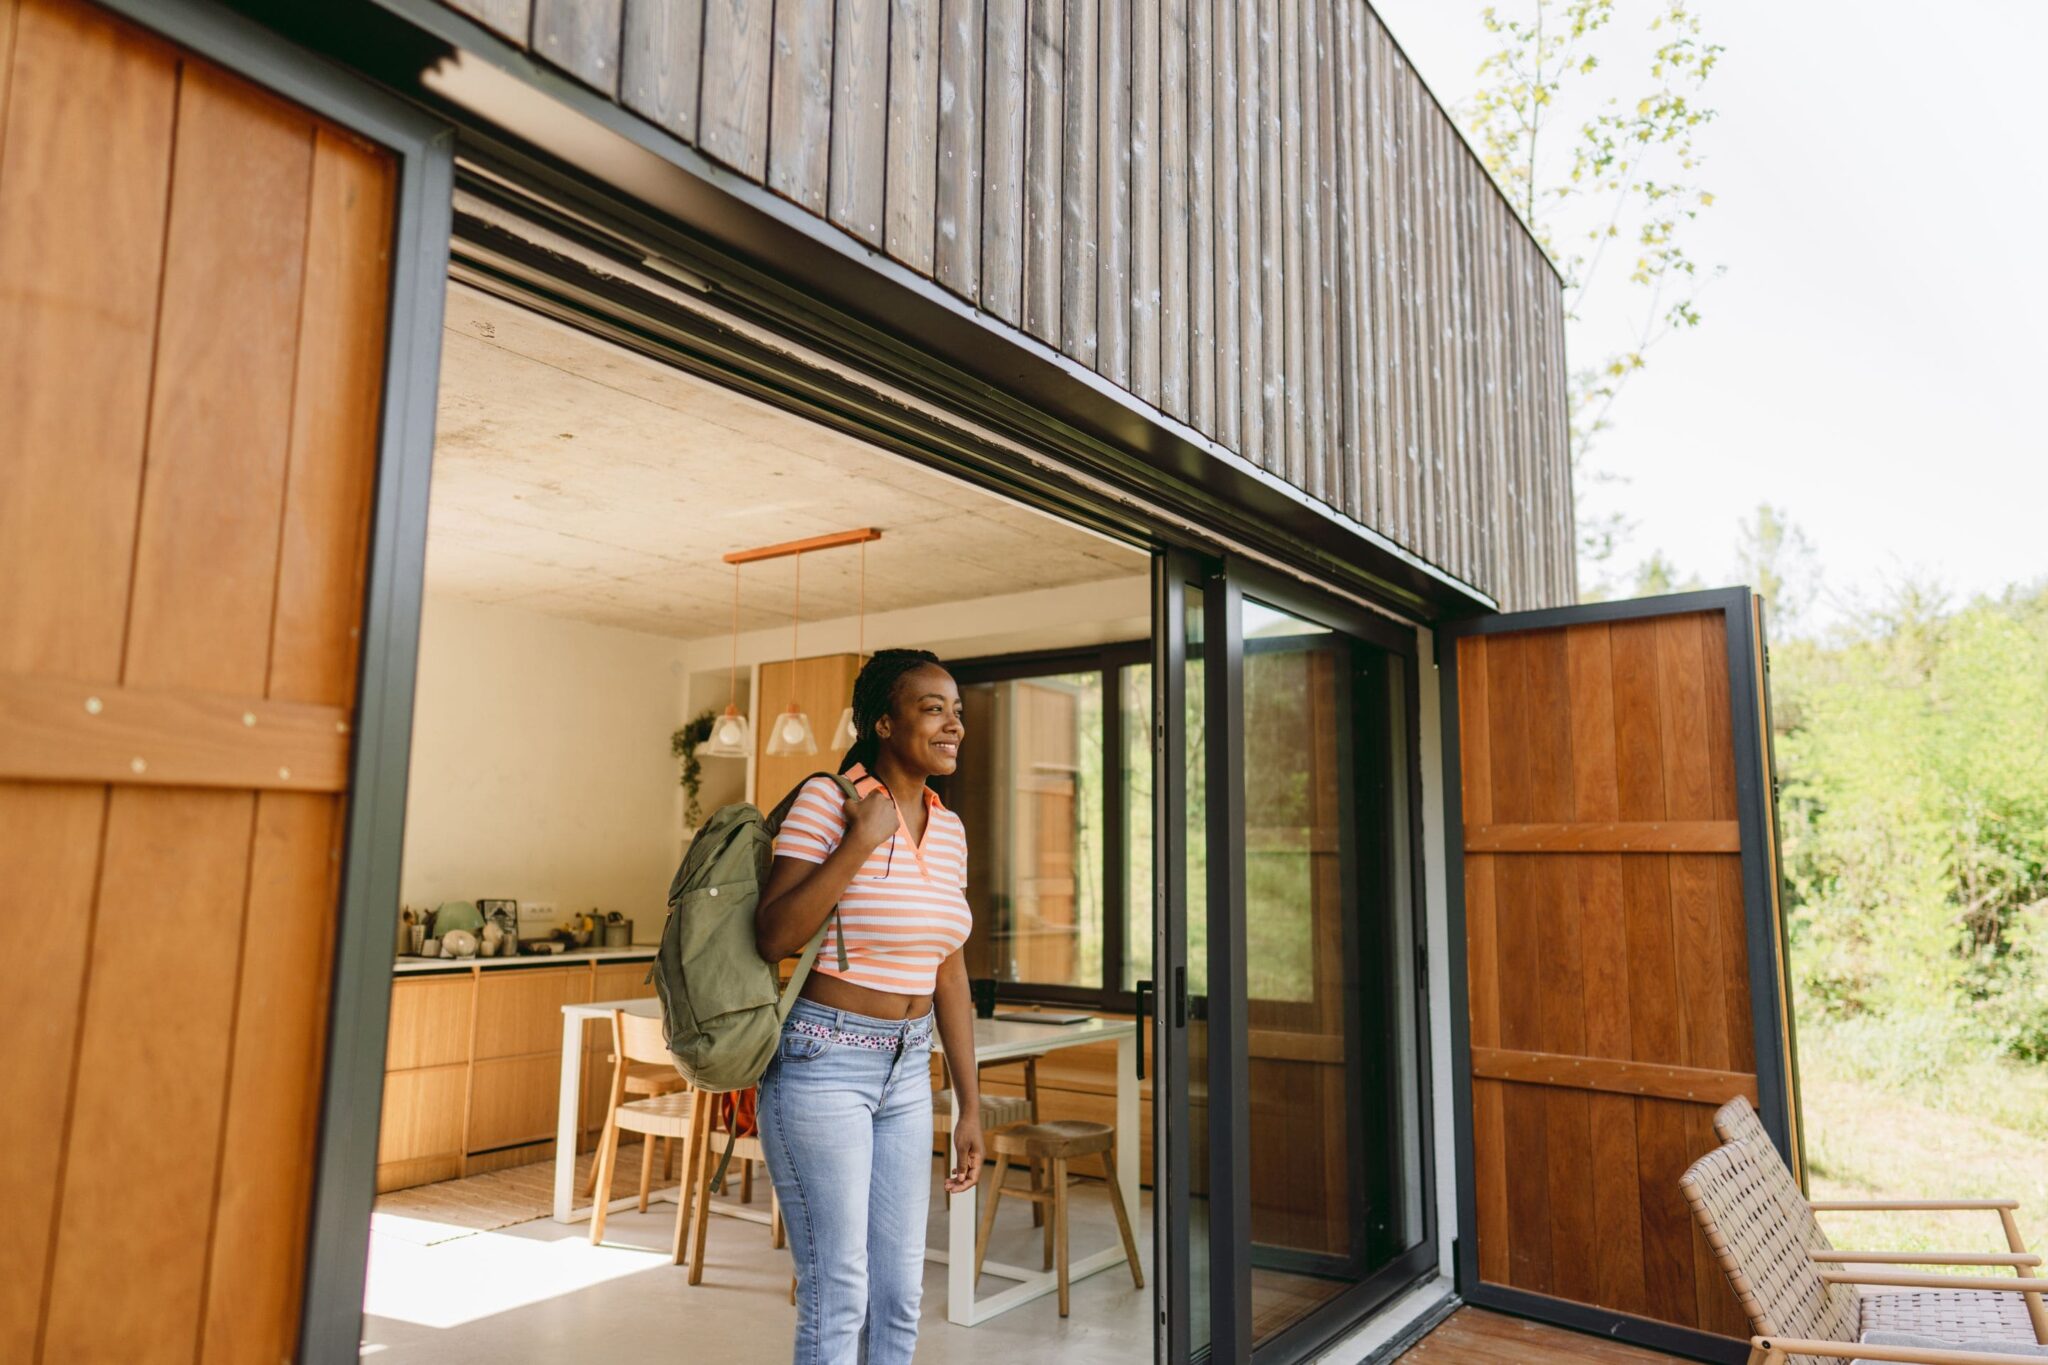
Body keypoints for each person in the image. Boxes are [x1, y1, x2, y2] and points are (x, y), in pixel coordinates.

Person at [753, 648, 982, 1364]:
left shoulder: (949, 828)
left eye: (957, 711)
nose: (953, 724)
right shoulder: (830, 799)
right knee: (839, 1287)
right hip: (824, 1060)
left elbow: (950, 973)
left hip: (910, 1069)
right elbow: (772, 934)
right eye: (932, 708)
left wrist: (969, 1104)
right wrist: (858, 841)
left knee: (900, 1289)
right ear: (884, 720)